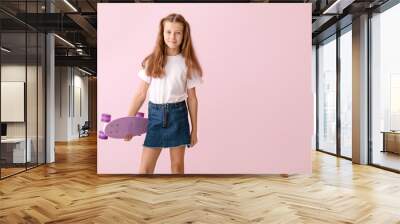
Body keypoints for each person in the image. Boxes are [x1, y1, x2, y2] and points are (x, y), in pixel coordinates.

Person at [125, 13, 203, 174]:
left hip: (178, 115)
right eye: (168, 32)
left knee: (177, 167)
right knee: (145, 169)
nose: (172, 37)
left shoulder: (188, 64)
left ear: (184, 35)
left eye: (177, 33)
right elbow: (140, 94)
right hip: (155, 115)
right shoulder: (152, 61)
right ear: (162, 33)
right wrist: (128, 123)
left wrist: (194, 130)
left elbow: (193, 99)